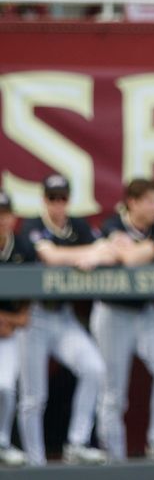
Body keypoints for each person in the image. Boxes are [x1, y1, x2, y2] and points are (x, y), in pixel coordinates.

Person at [18, 174, 112, 466]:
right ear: (43, 199)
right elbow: (50, 256)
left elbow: (108, 250)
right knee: (34, 396)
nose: (58, 205)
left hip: (63, 317)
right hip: (34, 316)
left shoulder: (78, 226)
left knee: (94, 368)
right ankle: (35, 461)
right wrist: (85, 255)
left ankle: (77, 442)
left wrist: (95, 256)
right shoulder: (33, 226)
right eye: (52, 198)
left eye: (62, 198)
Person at [91, 178, 154, 462]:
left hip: (145, 313)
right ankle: (113, 456)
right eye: (150, 201)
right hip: (112, 312)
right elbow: (128, 258)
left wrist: (148, 247)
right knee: (113, 391)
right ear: (132, 202)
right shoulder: (112, 225)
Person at [0, 190, 34, 467]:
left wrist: (10, 320)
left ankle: (1, 442)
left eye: (5, 213)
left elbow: (27, 310)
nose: (1, 220)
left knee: (5, 387)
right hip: (6, 323)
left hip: (8, 332)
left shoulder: (23, 246)